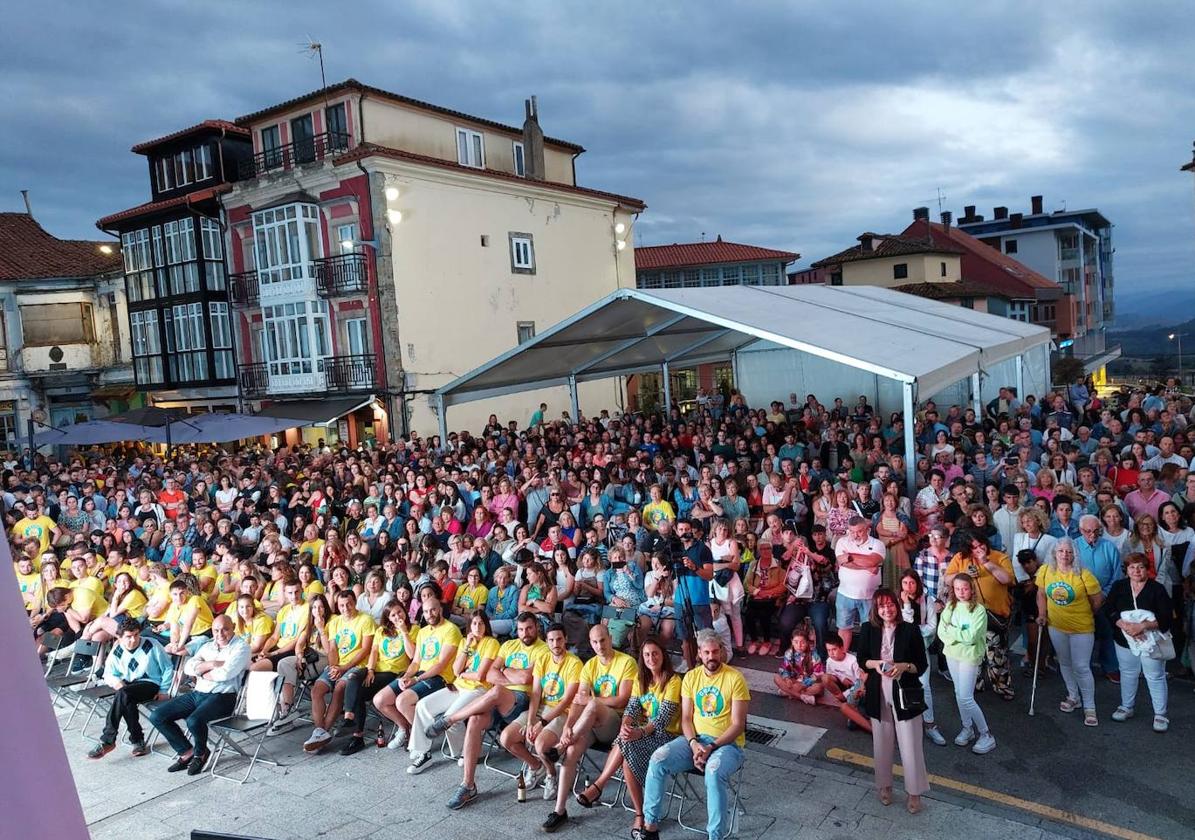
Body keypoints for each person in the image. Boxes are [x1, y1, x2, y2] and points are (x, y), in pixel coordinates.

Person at [640, 628, 749, 840]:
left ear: (722, 651)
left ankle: (715, 836)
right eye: (706, 653)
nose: (711, 657)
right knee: (658, 759)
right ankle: (650, 825)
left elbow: (737, 725)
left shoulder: (735, 679)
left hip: (727, 746)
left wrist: (711, 747)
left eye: (715, 652)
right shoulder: (691, 677)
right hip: (695, 741)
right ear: (699, 653)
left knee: (714, 772)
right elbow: (686, 719)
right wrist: (693, 744)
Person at [573, 636, 679, 837]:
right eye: (646, 654)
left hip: (667, 736)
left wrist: (636, 732)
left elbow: (663, 720)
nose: (651, 658)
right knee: (626, 743)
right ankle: (639, 813)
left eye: (655, 653)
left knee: (627, 744)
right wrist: (626, 725)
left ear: (663, 655)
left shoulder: (673, 681)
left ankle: (602, 787)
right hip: (643, 733)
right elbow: (632, 708)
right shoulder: (642, 680)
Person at [541, 623, 638, 832]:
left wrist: (595, 701)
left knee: (593, 704)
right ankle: (559, 811)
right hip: (589, 725)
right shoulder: (590, 665)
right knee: (571, 752)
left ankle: (558, 747)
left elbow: (622, 699)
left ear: (610, 638)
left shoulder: (627, 662)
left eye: (602, 640)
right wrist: (568, 726)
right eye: (594, 642)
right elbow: (578, 700)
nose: (599, 645)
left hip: (615, 725)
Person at [148, 615, 249, 776]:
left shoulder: (241, 648)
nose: (220, 634)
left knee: (194, 721)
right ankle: (186, 752)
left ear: (234, 627)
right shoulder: (207, 646)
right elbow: (188, 667)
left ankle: (200, 753)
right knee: (157, 716)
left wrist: (201, 671)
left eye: (225, 629)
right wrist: (211, 665)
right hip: (198, 693)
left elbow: (226, 674)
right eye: (216, 630)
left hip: (223, 697)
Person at [857, 587, 929, 814]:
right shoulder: (868, 629)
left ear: (896, 606)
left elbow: (921, 665)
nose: (886, 610)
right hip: (877, 690)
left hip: (904, 691)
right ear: (876, 609)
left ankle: (914, 793)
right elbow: (862, 660)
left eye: (890, 605)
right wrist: (876, 664)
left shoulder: (910, 630)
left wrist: (903, 667)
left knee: (911, 745)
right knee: (881, 743)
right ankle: (885, 786)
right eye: (881, 606)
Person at [414, 610, 500, 780]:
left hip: (478, 689)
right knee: (422, 705)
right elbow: (455, 669)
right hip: (458, 687)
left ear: (486, 625)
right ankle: (423, 753)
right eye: (474, 623)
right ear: (469, 626)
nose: (477, 627)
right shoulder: (464, 642)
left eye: (481, 623)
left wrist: (462, 674)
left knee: (450, 718)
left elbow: (480, 675)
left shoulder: (492, 643)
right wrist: (467, 646)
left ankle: (464, 752)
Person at [372, 596, 460, 751]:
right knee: (380, 700)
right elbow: (415, 662)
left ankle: (423, 738)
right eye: (426, 611)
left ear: (440, 609)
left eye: (433, 609)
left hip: (440, 678)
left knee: (402, 701)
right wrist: (406, 677)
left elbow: (440, 665)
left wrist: (416, 678)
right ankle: (406, 729)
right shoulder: (424, 632)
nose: (430, 614)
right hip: (419, 673)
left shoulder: (451, 629)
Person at [1035, 539, 1104, 726]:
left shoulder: (1084, 575)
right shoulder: (1045, 571)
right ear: (1054, 553)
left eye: (1069, 552)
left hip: (1082, 628)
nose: (1065, 555)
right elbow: (1041, 593)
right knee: (1064, 662)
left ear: (1075, 555)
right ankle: (1074, 696)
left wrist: (1086, 613)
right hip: (1056, 625)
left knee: (1081, 666)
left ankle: (1090, 706)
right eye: (1061, 551)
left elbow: (1097, 600)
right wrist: (1042, 613)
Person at [86, 618, 175, 760]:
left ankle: (108, 740)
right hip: (127, 687)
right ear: (120, 637)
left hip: (150, 683)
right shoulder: (117, 650)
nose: (133, 639)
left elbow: (168, 667)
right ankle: (137, 740)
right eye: (128, 636)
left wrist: (164, 690)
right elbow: (109, 673)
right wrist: (116, 682)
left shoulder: (151, 644)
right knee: (126, 699)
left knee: (123, 694)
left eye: (136, 635)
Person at [1103, 554, 1172, 732]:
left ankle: (1160, 714)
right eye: (1132, 567)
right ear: (1126, 569)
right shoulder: (1119, 586)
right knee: (1127, 673)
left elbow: (1166, 617)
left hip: (1152, 641)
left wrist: (1143, 626)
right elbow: (1109, 609)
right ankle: (1126, 707)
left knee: (1155, 676)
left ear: (1147, 569)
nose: (1136, 571)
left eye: (1140, 567)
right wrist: (1125, 626)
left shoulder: (1157, 589)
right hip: (1124, 640)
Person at [944, 532, 1015, 700]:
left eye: (981, 545)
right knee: (972, 652)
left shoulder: (1000, 557)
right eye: (974, 547)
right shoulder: (961, 558)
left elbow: (1007, 579)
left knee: (997, 655)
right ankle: (974, 685)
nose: (978, 549)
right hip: (968, 616)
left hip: (994, 615)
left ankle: (1002, 686)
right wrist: (964, 575)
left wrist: (986, 563)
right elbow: (948, 579)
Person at [303, 590, 376, 752]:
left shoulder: (365, 620)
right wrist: (334, 666)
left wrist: (343, 668)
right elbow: (332, 649)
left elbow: (365, 649)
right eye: (341, 605)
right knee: (316, 691)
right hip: (338, 665)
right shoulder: (335, 622)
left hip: (358, 666)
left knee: (339, 689)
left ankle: (323, 733)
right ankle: (319, 732)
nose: (345, 608)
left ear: (355, 602)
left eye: (349, 604)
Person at [937, 574, 996, 754]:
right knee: (958, 692)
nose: (961, 592)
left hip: (969, 656)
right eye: (957, 589)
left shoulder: (979, 610)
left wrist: (952, 631)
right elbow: (941, 632)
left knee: (966, 697)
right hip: (952, 654)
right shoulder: (950, 606)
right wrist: (958, 633)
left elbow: (971, 638)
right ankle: (967, 728)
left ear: (971, 589)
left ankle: (986, 734)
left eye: (965, 588)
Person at [834, 516, 884, 655]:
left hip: (869, 596)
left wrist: (850, 556)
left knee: (870, 629)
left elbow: (873, 560)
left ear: (867, 529)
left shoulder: (877, 544)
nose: (855, 535)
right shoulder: (842, 542)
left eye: (859, 531)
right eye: (852, 531)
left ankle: (867, 658)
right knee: (843, 628)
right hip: (844, 594)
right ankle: (842, 657)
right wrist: (867, 567)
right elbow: (841, 561)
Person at [819, 632, 871, 732]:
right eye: (828, 650)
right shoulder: (829, 660)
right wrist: (842, 678)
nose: (831, 653)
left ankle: (858, 714)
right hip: (844, 687)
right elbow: (832, 674)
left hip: (856, 686)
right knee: (825, 678)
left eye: (834, 649)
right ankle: (844, 700)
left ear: (842, 648)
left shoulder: (853, 660)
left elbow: (860, 680)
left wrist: (852, 692)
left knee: (851, 723)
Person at [774, 628, 824, 704]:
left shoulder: (814, 656)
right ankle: (802, 697)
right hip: (794, 680)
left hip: (808, 683)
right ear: (792, 642)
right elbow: (784, 669)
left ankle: (789, 693)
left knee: (819, 687)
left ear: (807, 643)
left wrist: (803, 684)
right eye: (796, 642)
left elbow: (818, 674)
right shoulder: (789, 653)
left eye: (802, 642)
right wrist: (787, 679)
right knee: (776, 678)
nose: (799, 645)